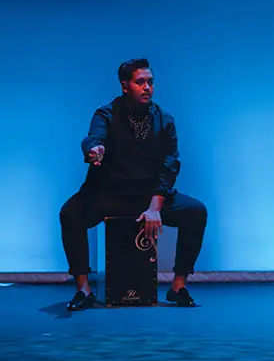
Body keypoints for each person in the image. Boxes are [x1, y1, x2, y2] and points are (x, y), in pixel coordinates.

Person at [59, 58, 208, 309]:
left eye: (150, 82)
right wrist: (94, 149)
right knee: (70, 213)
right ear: (125, 86)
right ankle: (83, 289)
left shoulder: (165, 120)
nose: (147, 87)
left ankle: (178, 286)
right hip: (110, 194)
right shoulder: (106, 113)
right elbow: (93, 138)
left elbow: (170, 167)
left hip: (147, 197)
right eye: (140, 82)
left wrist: (155, 207)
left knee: (196, 212)